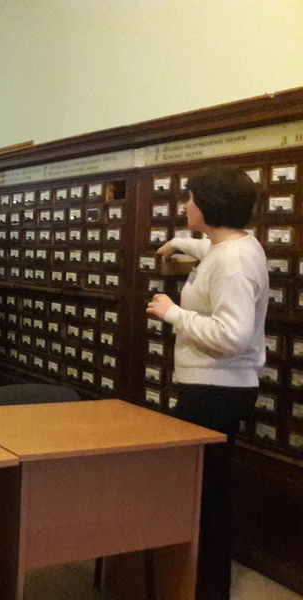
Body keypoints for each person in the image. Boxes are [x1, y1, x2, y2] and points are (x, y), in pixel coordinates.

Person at [146, 166, 269, 600]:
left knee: (206, 494)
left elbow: (233, 336)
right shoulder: (234, 246)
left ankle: (206, 587)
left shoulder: (233, 262)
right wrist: (182, 243)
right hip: (216, 387)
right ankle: (202, 582)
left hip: (216, 391)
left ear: (210, 206)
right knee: (208, 488)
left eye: (191, 199)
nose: (185, 206)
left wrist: (173, 313)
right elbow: (213, 253)